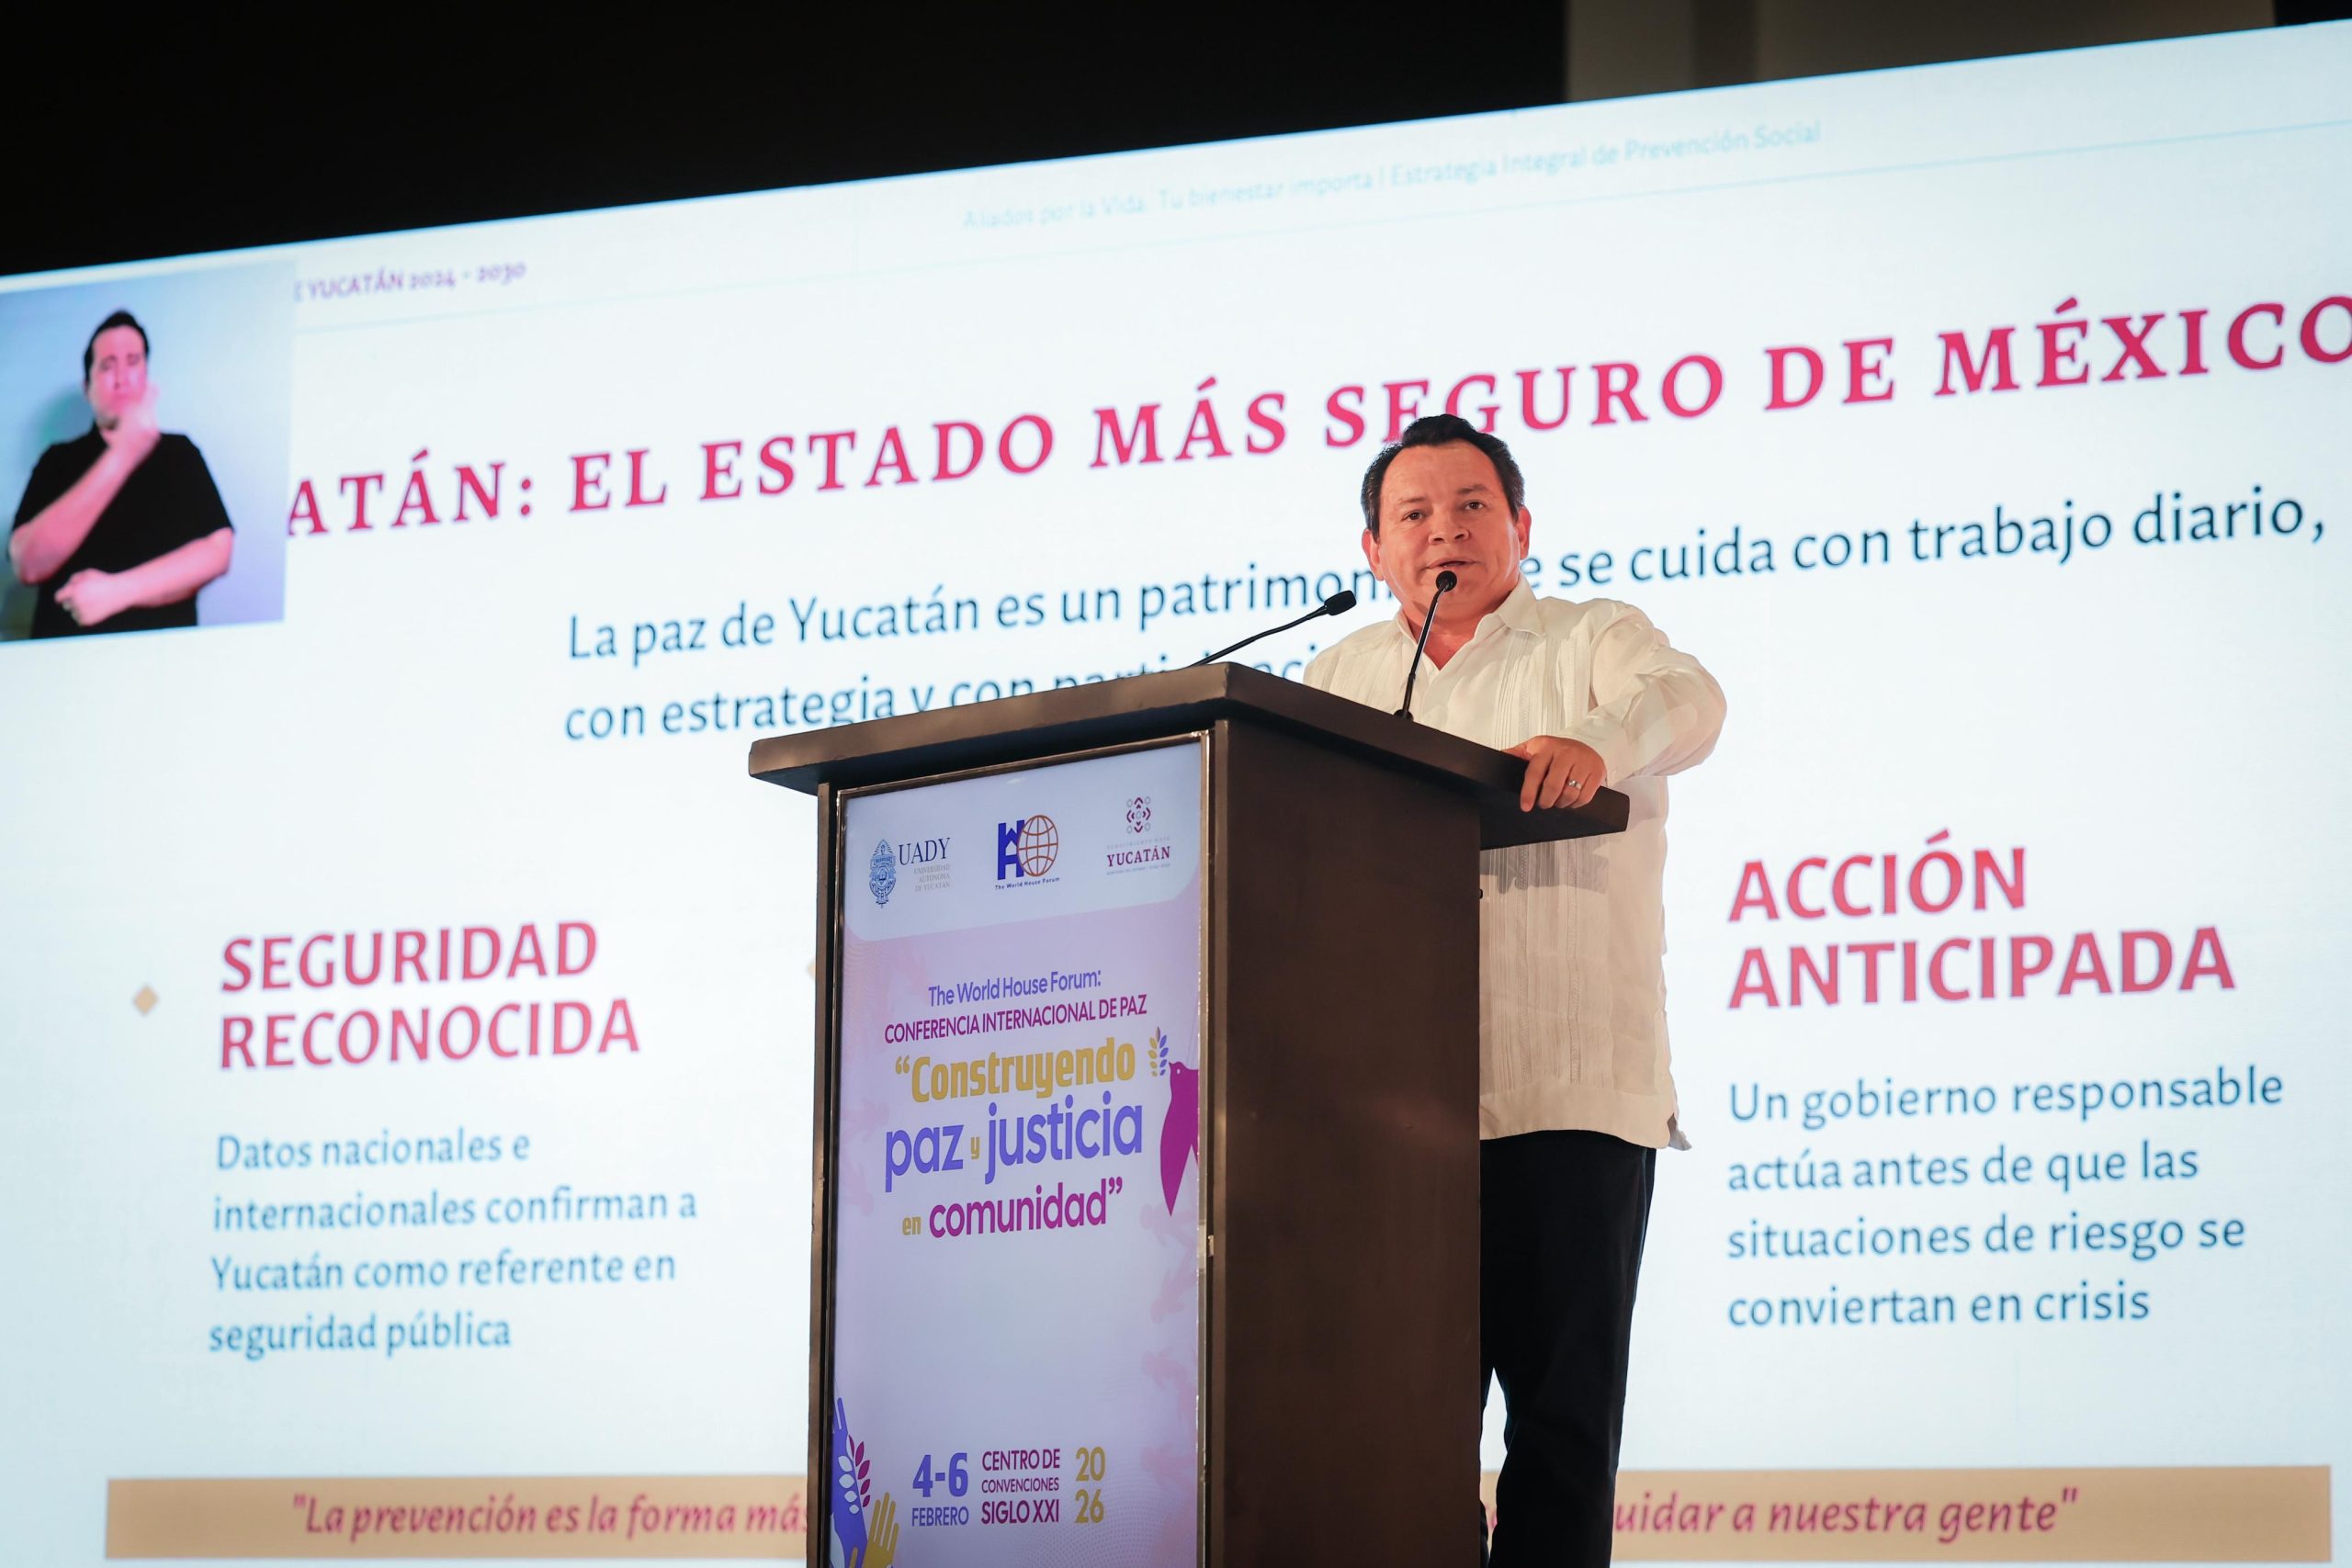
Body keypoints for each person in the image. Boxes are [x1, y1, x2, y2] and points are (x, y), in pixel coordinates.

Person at [1303, 413, 1724, 1567]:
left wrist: (1596, 744)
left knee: (1561, 1430)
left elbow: (1691, 699)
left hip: (1567, 1095)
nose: (1443, 529)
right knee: (1394, 1432)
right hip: (1395, 1119)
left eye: (1470, 506)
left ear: (1520, 525)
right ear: (1372, 549)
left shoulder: (1592, 639)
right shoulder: (1337, 679)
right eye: (1414, 513)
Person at [8, 310, 234, 638]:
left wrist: (116, 592)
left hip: (163, 657)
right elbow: (27, 563)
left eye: (133, 362)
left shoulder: (180, 453)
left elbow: (217, 551)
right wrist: (123, 454)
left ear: (146, 375)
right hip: (66, 658)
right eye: (107, 366)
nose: (121, 378)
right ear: (87, 387)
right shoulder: (57, 460)